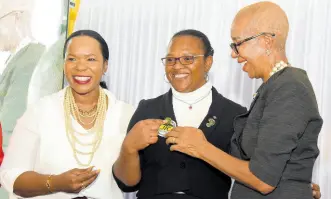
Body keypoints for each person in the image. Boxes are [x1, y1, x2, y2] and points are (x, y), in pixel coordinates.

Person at [161, 2, 323, 199]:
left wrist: (200, 147)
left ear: (266, 41)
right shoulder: (273, 87)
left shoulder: (289, 87)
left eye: (237, 44)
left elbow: (263, 180)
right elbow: (274, 166)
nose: (233, 54)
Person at [113, 29, 247, 199]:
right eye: (170, 60)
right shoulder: (147, 109)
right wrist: (128, 148)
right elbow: (127, 183)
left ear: (208, 62)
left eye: (187, 59)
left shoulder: (235, 114)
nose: (177, 66)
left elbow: (249, 175)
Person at [0, 29, 134, 199]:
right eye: (72, 59)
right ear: (63, 64)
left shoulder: (125, 114)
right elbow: (10, 175)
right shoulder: (40, 111)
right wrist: (55, 183)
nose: (80, 66)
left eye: (91, 59)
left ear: (105, 65)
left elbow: (132, 181)